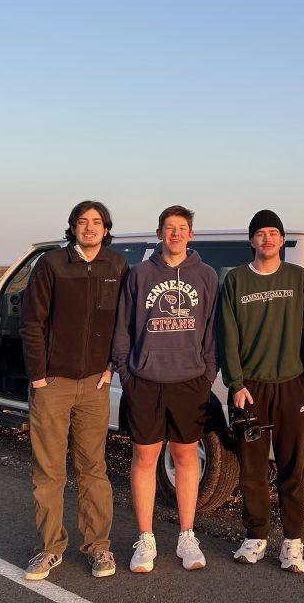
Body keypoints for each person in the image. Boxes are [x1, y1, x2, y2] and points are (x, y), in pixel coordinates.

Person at [21, 200, 128, 581]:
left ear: (106, 228)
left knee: (93, 469)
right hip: (54, 384)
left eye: (96, 222)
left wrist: (113, 366)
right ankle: (50, 549)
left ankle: (98, 547)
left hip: (95, 386)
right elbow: (32, 323)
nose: (89, 227)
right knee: (49, 472)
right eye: (82, 222)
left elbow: (123, 323)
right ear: (73, 227)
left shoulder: (117, 266)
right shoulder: (51, 265)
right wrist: (38, 377)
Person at [111, 205, 218, 573]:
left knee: (186, 458)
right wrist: (127, 372)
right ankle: (146, 538)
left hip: (189, 382)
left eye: (182, 228)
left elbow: (212, 331)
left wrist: (207, 374)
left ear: (191, 234)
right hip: (145, 381)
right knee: (144, 458)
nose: (175, 233)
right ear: (159, 234)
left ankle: (187, 536)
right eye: (169, 228)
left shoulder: (205, 276)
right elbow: (123, 327)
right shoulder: (140, 274)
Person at [218, 209, 304, 572]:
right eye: (260, 234)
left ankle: (293, 542)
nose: (267, 239)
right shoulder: (235, 282)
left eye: (274, 233)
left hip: (291, 385)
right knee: (252, 468)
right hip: (251, 389)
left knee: (294, 465)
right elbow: (226, 334)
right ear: (251, 241)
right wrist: (235, 384)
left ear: (281, 240)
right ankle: (256, 535)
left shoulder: (299, 279)